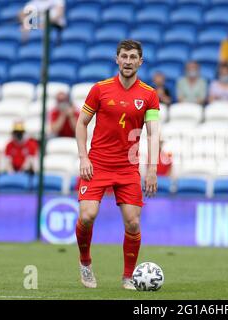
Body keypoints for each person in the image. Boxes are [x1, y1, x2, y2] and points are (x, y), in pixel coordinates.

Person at [75, 40, 159, 290]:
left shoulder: (149, 95)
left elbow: (153, 134)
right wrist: (83, 157)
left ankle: (128, 276)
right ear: (117, 59)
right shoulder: (100, 90)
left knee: (133, 222)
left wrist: (152, 168)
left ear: (140, 62)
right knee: (87, 216)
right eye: (124, 56)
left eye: (133, 57)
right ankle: (85, 263)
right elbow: (81, 124)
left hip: (127, 168)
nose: (128, 61)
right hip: (97, 164)